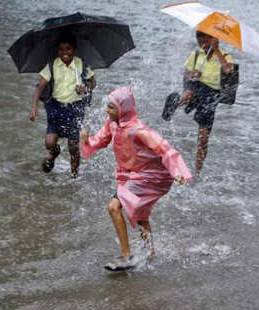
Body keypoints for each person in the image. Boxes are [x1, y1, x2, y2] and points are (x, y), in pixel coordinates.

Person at [80, 87, 193, 271]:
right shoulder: (112, 123)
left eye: (111, 107)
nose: (107, 110)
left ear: (122, 109)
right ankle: (150, 253)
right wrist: (86, 141)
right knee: (141, 215)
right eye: (108, 106)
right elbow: (100, 140)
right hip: (131, 174)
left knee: (113, 207)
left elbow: (164, 149)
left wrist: (177, 171)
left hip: (151, 176)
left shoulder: (138, 130)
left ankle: (126, 256)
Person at [30, 32, 96, 177]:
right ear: (57, 50)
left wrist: (86, 89)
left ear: (74, 49)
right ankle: (54, 153)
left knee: (73, 147)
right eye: (61, 50)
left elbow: (93, 81)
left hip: (75, 109)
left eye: (68, 49)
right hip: (55, 108)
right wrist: (34, 107)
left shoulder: (81, 64)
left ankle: (74, 175)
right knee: (49, 142)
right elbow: (40, 87)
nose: (64, 53)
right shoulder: (52, 65)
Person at [179, 31, 234, 175]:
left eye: (205, 40)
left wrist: (216, 49)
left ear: (213, 39)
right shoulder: (196, 55)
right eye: (199, 40)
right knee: (188, 92)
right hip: (196, 87)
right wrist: (193, 75)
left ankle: (197, 171)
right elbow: (185, 76)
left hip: (211, 95)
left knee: (203, 138)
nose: (201, 43)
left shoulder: (225, 56)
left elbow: (228, 70)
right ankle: (177, 103)